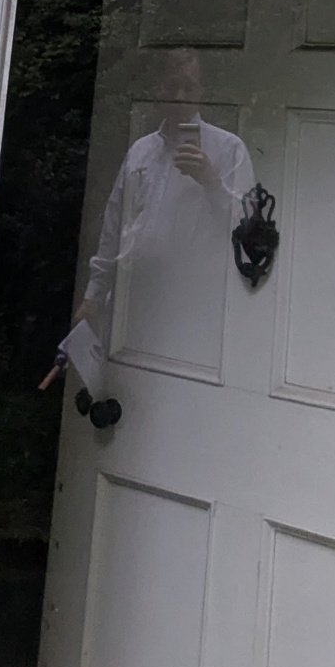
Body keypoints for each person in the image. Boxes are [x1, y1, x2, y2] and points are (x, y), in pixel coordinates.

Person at [55, 47, 254, 403]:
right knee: (129, 398)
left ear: (201, 91)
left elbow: (250, 234)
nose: (179, 97)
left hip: (196, 312)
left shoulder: (228, 149)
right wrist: (93, 295)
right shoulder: (140, 152)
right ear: (159, 89)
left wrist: (211, 181)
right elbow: (114, 228)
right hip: (133, 307)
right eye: (172, 86)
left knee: (182, 401)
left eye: (188, 87)